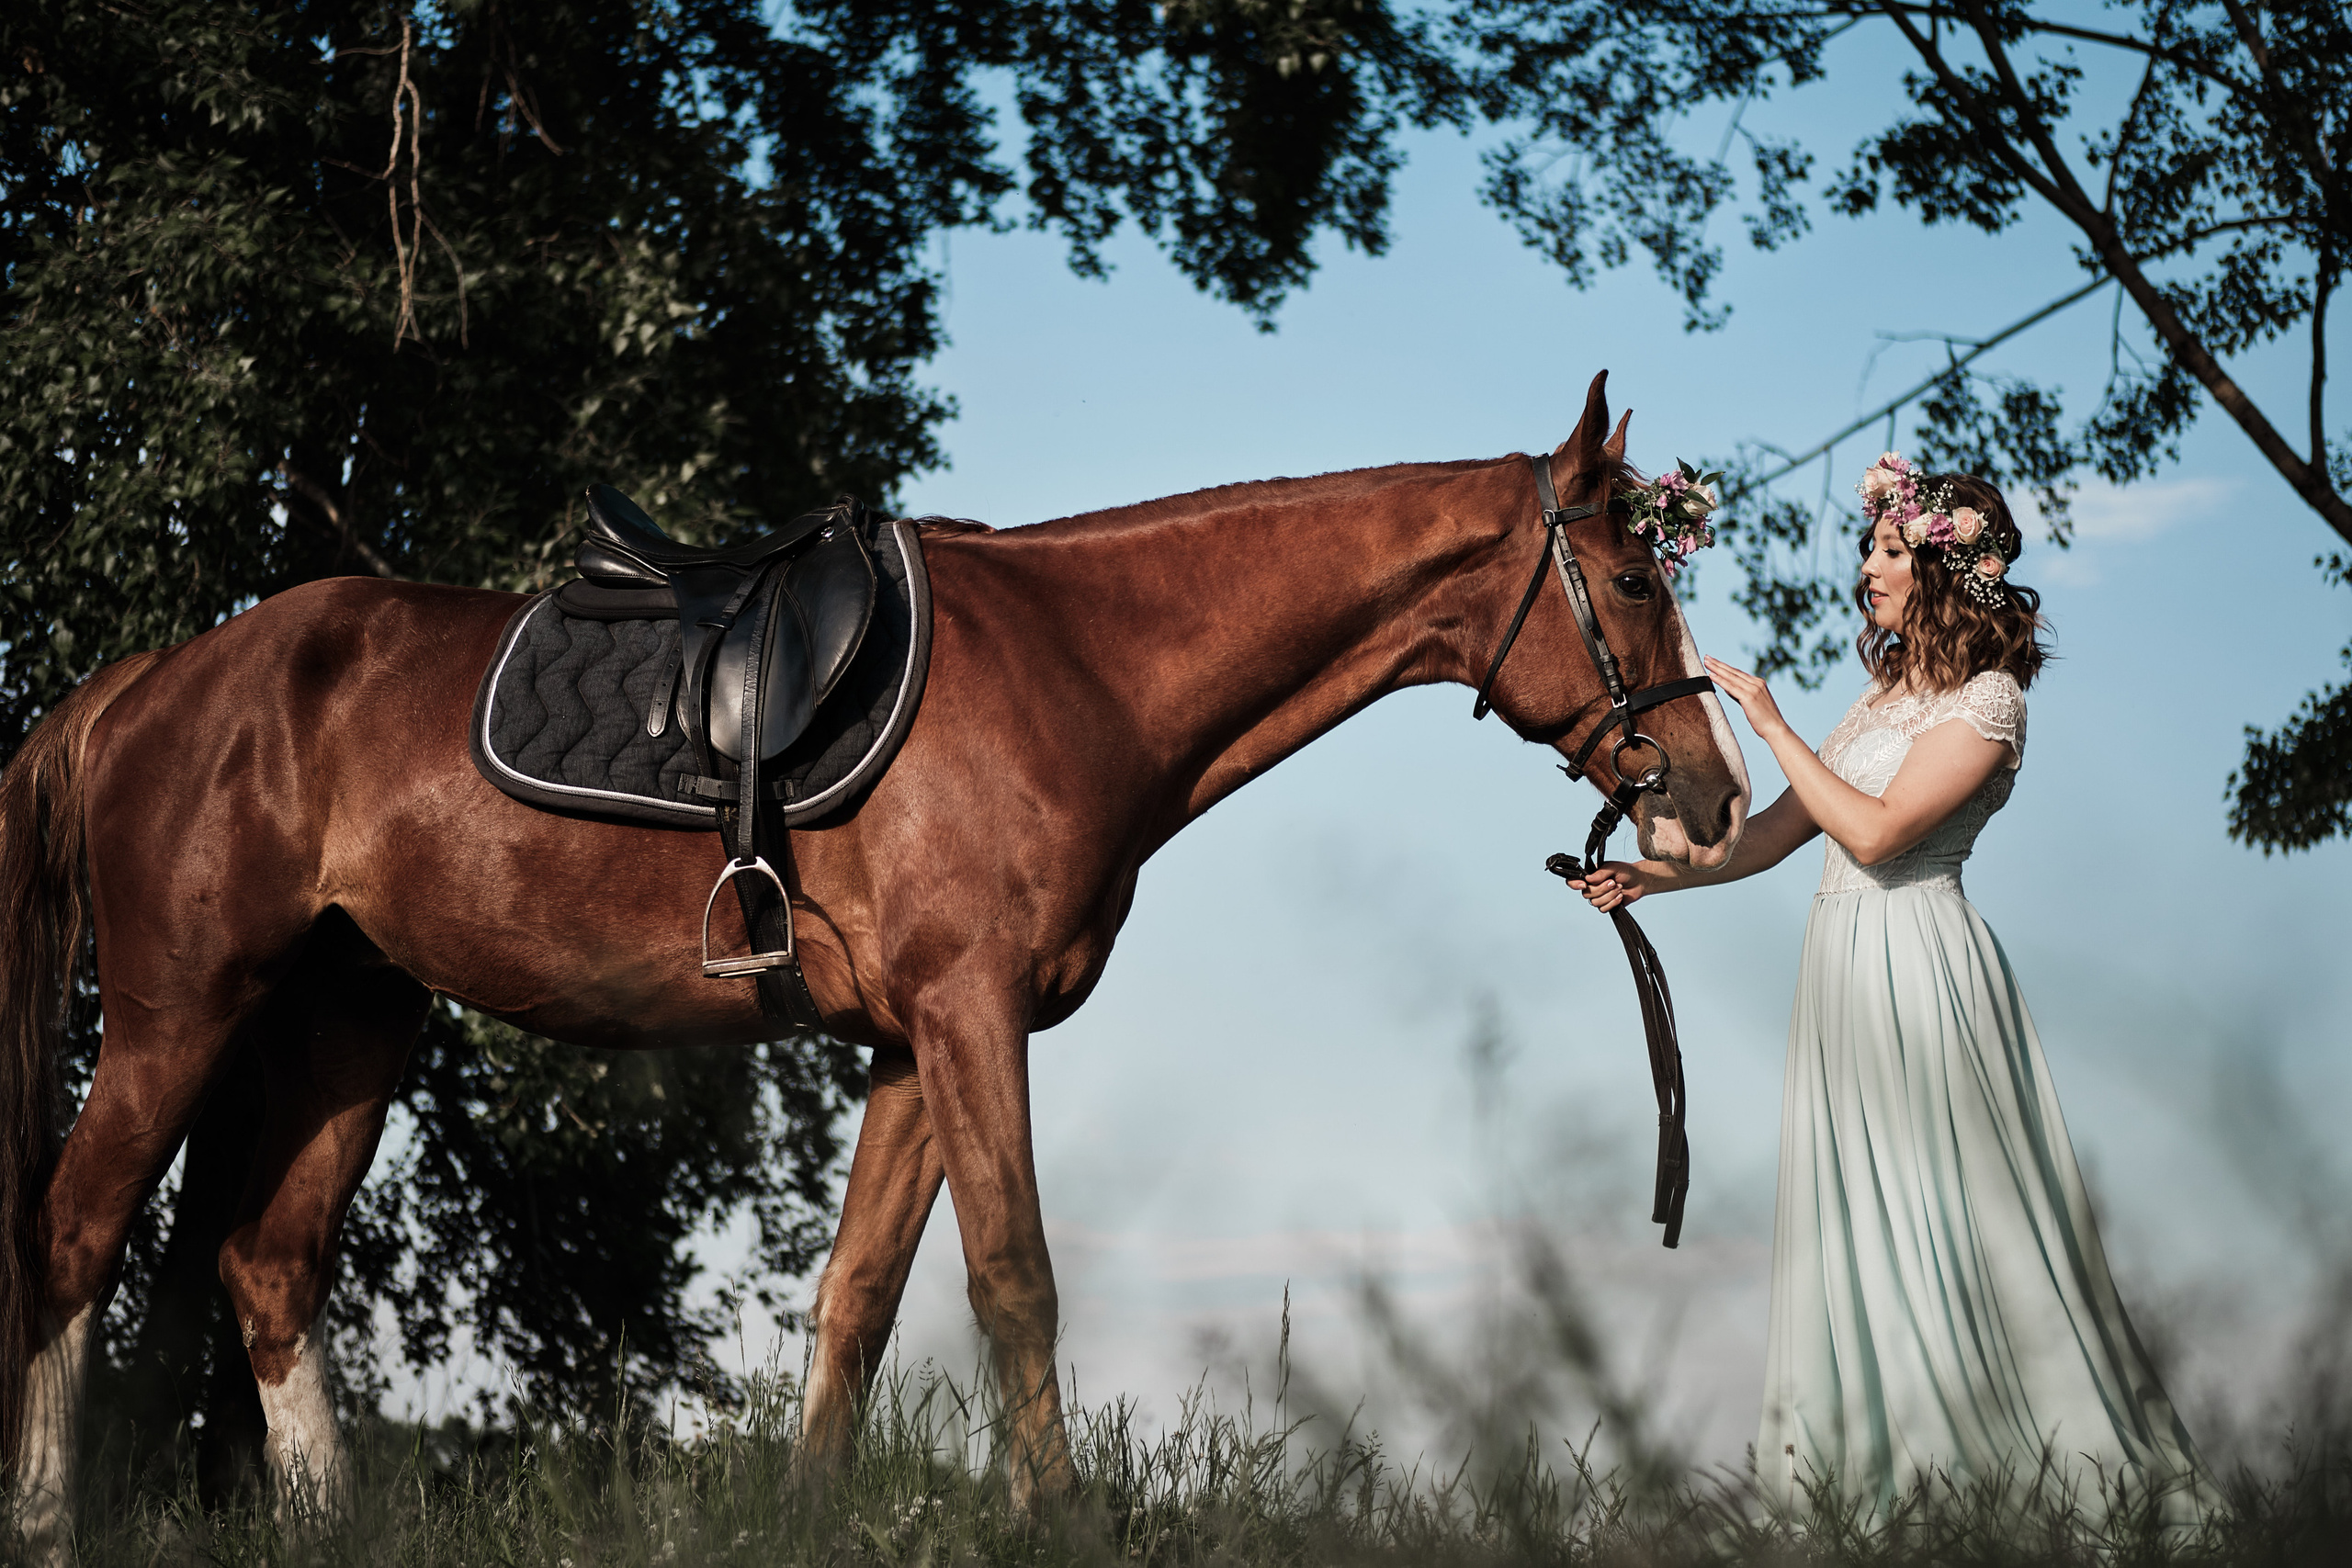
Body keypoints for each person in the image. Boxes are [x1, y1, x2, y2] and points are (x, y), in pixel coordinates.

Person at [1571, 457, 2203, 1520]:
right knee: (1857, 1212)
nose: (1868, 567)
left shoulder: (1988, 703)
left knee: (1956, 1208)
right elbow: (1775, 837)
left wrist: (1770, 726)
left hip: (1919, 970)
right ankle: (1874, 1472)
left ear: (1947, 575)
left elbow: (1869, 834)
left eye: (1890, 550)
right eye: (1871, 548)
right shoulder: (1881, 699)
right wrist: (1654, 875)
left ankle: (2033, 1476)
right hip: (1840, 973)